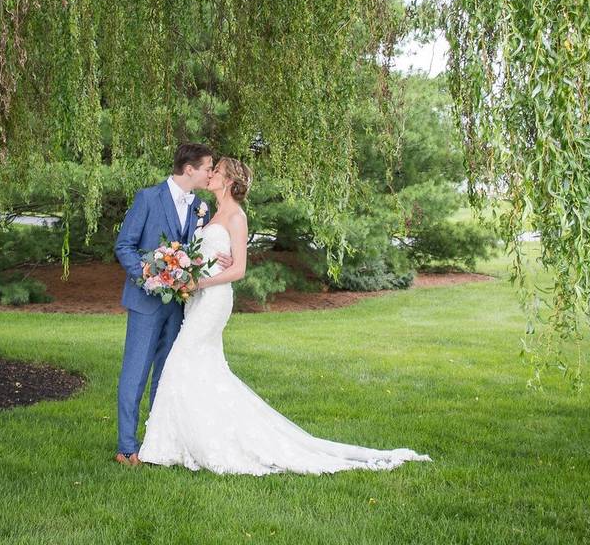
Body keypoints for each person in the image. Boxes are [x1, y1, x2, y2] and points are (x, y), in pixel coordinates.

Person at [138, 157, 431, 474]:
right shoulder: (210, 213)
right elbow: (206, 256)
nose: (210, 175)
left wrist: (201, 281)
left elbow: (239, 269)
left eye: (216, 172)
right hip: (198, 298)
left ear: (230, 181)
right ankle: (184, 441)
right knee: (200, 368)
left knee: (181, 360)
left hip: (214, 300)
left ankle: (173, 446)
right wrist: (183, 270)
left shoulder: (236, 216)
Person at [113, 143, 233, 465]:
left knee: (166, 377)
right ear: (189, 169)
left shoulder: (201, 206)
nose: (210, 173)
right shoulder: (148, 198)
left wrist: (226, 258)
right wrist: (148, 274)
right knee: (135, 374)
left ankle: (156, 445)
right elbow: (124, 245)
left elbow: (203, 249)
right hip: (145, 301)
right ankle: (126, 447)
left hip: (180, 305)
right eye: (208, 167)